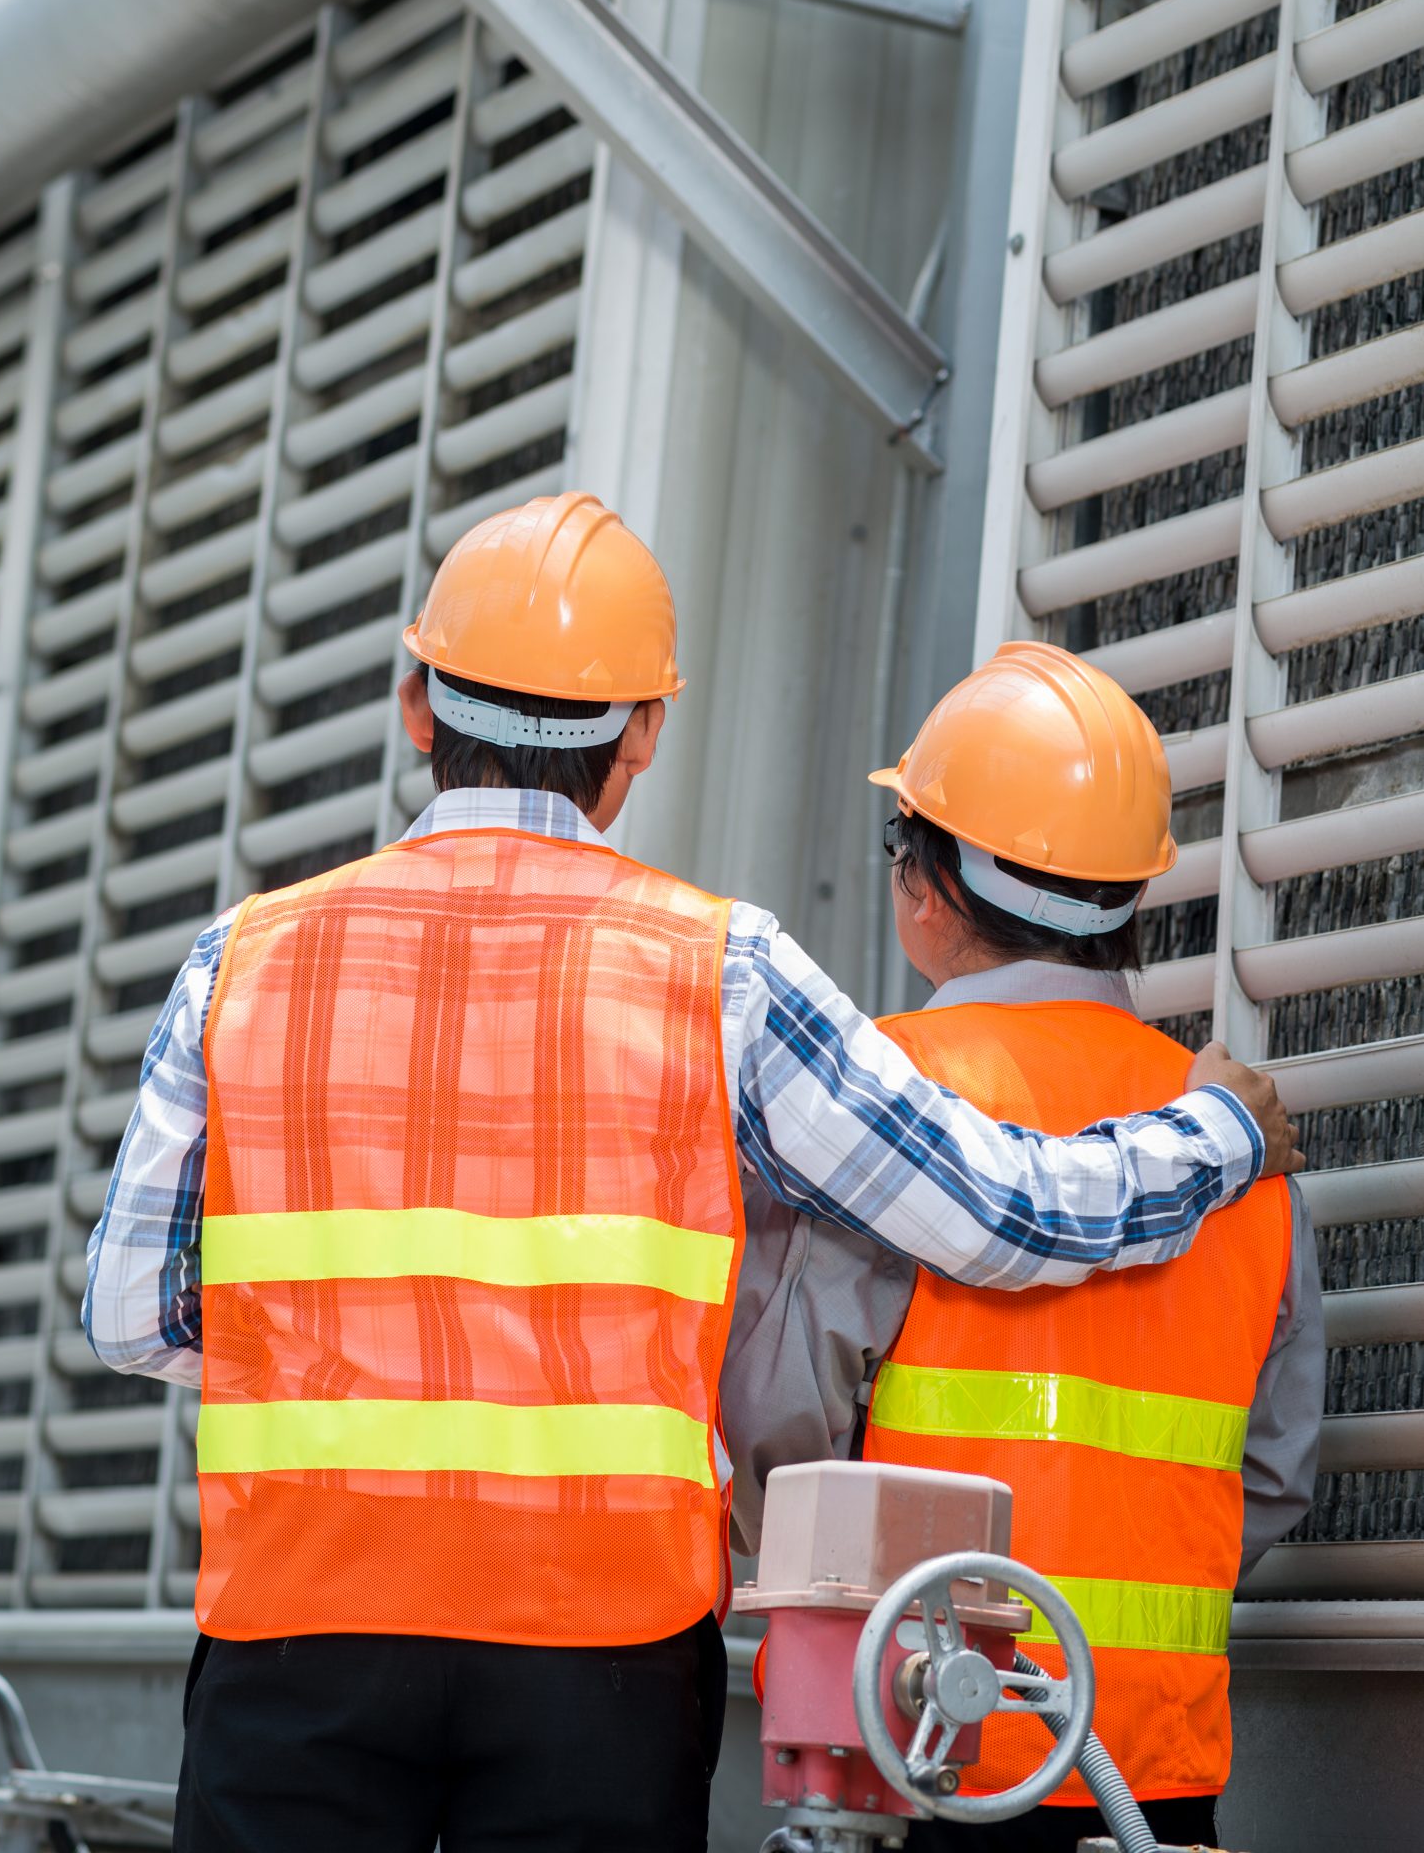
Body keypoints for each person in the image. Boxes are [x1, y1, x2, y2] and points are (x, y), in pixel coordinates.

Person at [83, 496, 1301, 1853]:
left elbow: (132, 1314)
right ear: (644, 733)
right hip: (599, 1658)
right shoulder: (721, 969)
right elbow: (998, 1213)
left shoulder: (240, 960)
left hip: (291, 1633)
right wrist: (1219, 1137)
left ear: (416, 703)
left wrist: (342, 1353)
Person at [724, 641, 1323, 1853]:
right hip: (1146, 1773)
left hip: (903, 1756)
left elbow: (780, 1437)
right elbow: (1269, 1477)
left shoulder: (877, 1104)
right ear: (1128, 898)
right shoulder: (1238, 1137)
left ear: (925, 884)